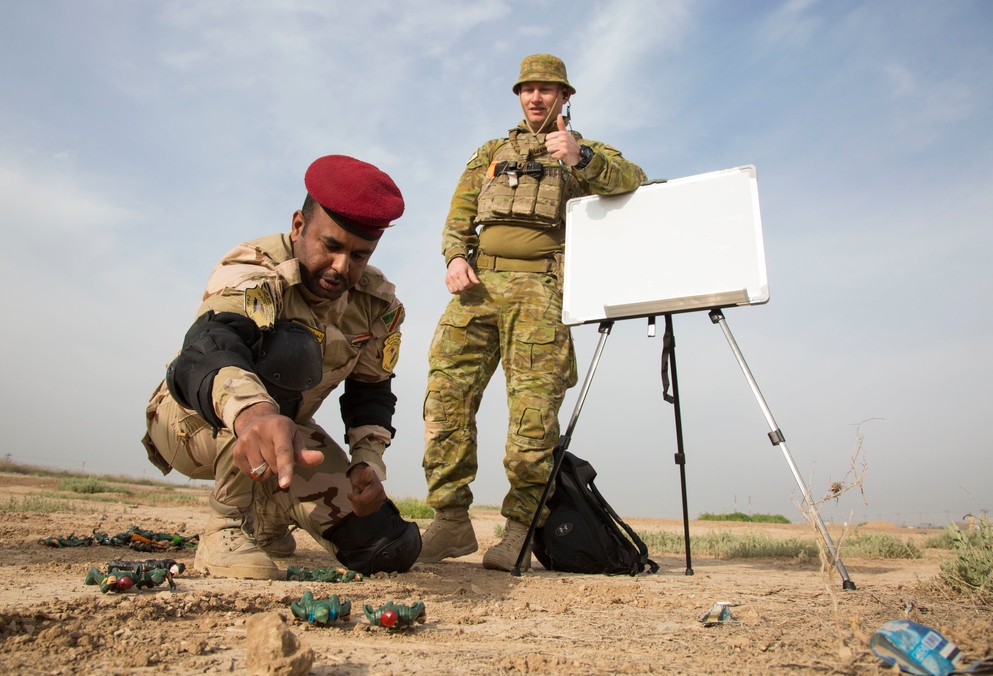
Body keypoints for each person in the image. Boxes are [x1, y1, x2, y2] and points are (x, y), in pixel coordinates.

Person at [142, 154, 421, 580]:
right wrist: (256, 414)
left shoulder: (376, 305)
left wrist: (367, 464)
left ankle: (270, 512)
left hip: (284, 437)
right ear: (297, 226)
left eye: (360, 255)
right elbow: (210, 348)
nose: (342, 267)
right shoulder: (254, 268)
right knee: (288, 352)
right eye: (331, 246)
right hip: (193, 423)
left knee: (386, 547)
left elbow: (372, 391)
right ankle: (225, 526)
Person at [419, 54, 646, 571]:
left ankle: (520, 530)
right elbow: (458, 216)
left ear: (566, 97)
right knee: (445, 400)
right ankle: (450, 521)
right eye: (528, 89)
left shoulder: (580, 152)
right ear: (519, 95)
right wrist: (455, 256)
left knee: (532, 418)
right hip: (478, 289)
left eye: (548, 89)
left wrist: (581, 158)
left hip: (542, 291)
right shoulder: (490, 153)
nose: (536, 97)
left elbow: (633, 180)